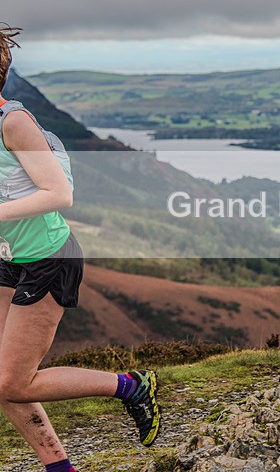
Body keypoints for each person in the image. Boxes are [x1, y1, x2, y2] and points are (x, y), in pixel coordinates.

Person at [0, 24, 161, 472]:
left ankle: (131, 386)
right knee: (3, 380)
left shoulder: (12, 122)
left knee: (13, 380)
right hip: (8, 259)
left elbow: (59, 194)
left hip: (49, 259)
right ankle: (60, 467)